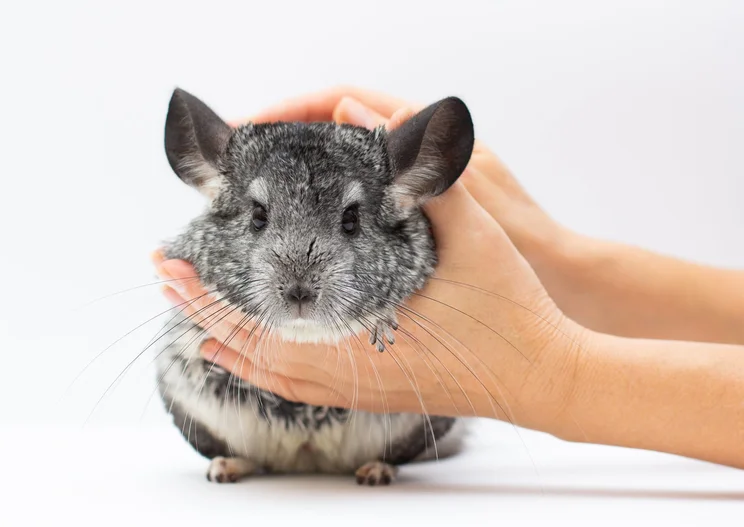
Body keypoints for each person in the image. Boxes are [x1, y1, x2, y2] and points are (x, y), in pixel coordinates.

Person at [152, 86, 744, 470]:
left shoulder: (410, 241)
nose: (299, 278)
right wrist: (562, 262)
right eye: (260, 218)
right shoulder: (214, 241)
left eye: (351, 221)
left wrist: (550, 372)